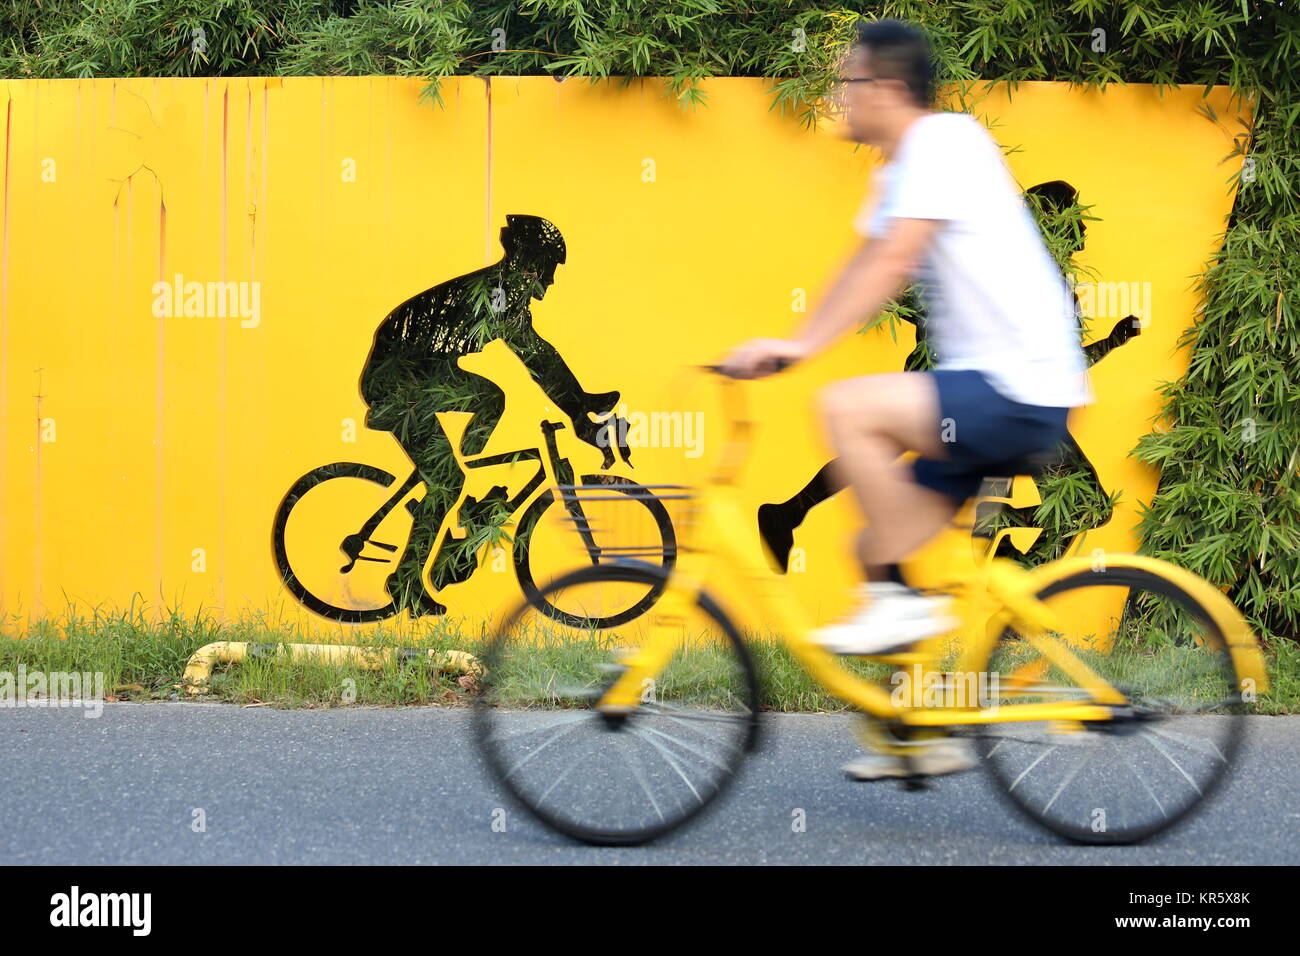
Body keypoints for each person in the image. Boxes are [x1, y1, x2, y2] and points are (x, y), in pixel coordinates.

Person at [719, 19, 1092, 779]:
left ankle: (904, 615)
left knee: (847, 408)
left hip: (1016, 390)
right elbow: (862, 261)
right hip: (996, 389)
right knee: (872, 548)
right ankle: (914, 733)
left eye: (847, 84)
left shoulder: (943, 144)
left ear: (887, 89)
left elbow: (890, 261)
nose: (838, 100)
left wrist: (797, 350)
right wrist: (789, 338)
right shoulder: (903, 167)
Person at [360, 214, 619, 616]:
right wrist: (577, 412)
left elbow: (539, 354)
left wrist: (580, 405)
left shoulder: (505, 292)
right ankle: (406, 581)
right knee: (446, 482)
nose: (550, 281)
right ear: (527, 261)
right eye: (548, 267)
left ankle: (461, 491)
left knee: (489, 398)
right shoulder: (496, 294)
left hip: (427, 370)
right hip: (398, 379)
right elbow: (533, 354)